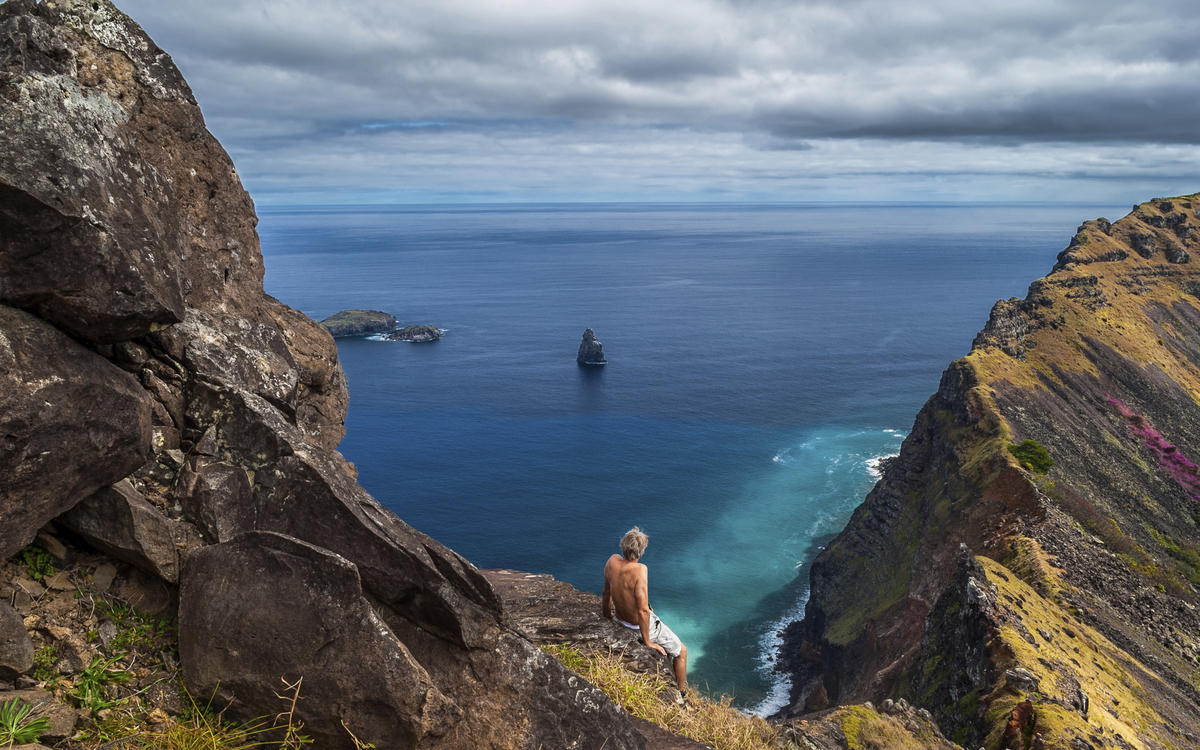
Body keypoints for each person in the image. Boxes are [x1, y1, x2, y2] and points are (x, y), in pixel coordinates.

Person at [601, 526, 688, 695]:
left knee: (651, 612)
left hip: (619, 620)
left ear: (623, 545)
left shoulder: (612, 561)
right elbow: (642, 611)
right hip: (638, 627)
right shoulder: (640, 570)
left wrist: (607, 616)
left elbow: (606, 592)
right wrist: (647, 642)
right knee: (681, 651)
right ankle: (680, 695)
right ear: (640, 551)